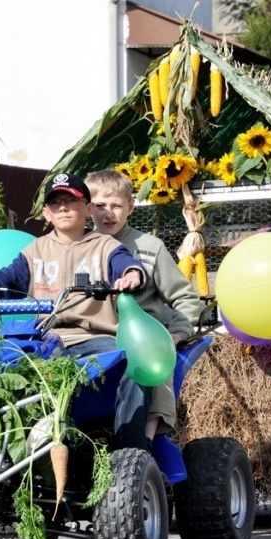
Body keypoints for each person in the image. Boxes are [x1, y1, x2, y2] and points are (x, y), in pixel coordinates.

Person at [0, 172, 150, 449]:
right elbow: (0, 281)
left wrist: (132, 275)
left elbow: (126, 264)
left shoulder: (106, 246)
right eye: (55, 202)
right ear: (46, 213)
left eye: (71, 201)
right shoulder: (34, 250)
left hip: (95, 341)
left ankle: (131, 456)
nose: (63, 207)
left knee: (131, 370)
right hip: (43, 341)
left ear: (87, 208)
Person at [86, 168, 201, 442]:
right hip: (93, 337)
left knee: (150, 365)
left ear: (131, 207)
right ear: (89, 208)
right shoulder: (81, 247)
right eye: (100, 206)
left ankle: (145, 445)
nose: (108, 213)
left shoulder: (150, 247)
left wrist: (177, 334)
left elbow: (184, 296)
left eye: (116, 205)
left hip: (141, 337)